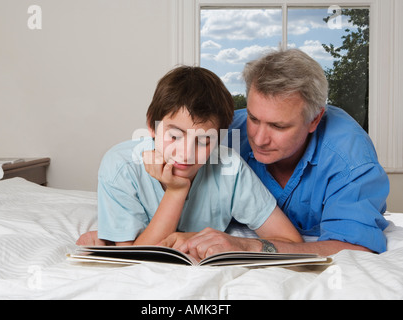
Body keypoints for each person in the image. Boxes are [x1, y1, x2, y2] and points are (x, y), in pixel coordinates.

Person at [161, 49, 390, 259]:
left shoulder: (351, 160)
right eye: (253, 118)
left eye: (278, 127)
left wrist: (247, 246)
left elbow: (356, 249)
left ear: (314, 120)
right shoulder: (223, 133)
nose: (259, 139)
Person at [76, 66, 302, 248]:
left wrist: (239, 244)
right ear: (152, 127)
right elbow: (135, 257)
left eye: (204, 141)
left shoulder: (230, 167)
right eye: (174, 136)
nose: (185, 154)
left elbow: (290, 241)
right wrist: (177, 190)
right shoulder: (121, 166)